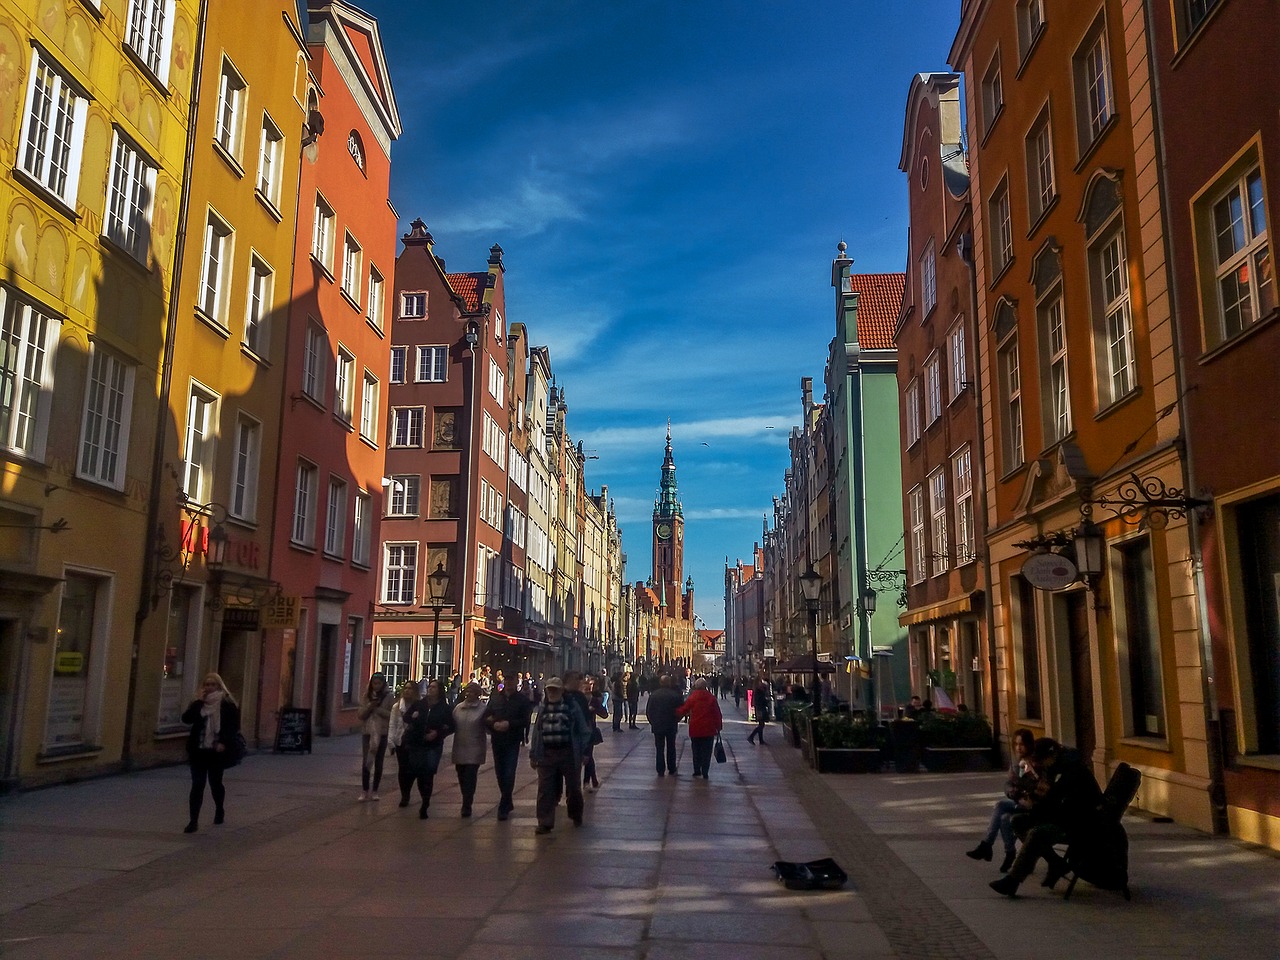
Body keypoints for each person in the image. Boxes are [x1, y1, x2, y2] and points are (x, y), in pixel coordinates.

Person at [989, 738, 1104, 897]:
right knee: (1018, 821)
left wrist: (1039, 802)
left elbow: (1059, 801)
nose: (1041, 765)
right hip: (1064, 815)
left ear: (1052, 755)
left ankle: (1013, 880)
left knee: (1037, 833)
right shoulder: (1057, 767)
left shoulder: (1072, 770)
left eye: (1042, 761)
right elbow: (1052, 800)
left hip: (1080, 822)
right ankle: (1056, 862)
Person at [966, 728, 1036, 872]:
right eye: (1016, 744)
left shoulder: (1034, 763)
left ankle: (992, 848)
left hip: (1031, 804)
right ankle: (1000, 850)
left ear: (1029, 745)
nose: (1018, 748)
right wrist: (1012, 791)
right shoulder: (1017, 763)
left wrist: (1023, 781)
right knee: (1003, 813)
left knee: (1003, 811)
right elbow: (1008, 785)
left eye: (1022, 744)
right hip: (1019, 802)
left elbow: (1035, 786)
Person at [181, 673, 241, 833]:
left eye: (212, 684)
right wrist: (198, 701)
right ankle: (193, 821)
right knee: (197, 785)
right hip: (198, 751)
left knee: (215, 783)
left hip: (216, 752)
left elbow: (233, 727)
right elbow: (186, 719)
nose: (208, 687)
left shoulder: (227, 704)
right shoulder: (198, 704)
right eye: (206, 684)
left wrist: (223, 742)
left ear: (219, 686)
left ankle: (219, 809)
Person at [529, 676, 590, 835]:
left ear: (561, 691)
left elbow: (583, 730)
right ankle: (545, 822)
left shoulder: (571, 707)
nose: (552, 692)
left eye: (555, 689)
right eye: (550, 689)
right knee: (545, 790)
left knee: (573, 788)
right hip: (547, 754)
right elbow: (537, 732)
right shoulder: (543, 708)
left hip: (568, 753)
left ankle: (576, 814)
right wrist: (533, 754)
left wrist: (584, 751)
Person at [402, 678, 454, 819]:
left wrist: (438, 733)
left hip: (433, 745)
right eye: (430, 687)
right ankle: (423, 797)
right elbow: (406, 718)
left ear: (439, 691)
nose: (430, 689)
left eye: (434, 687)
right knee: (418, 772)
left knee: (428, 773)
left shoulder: (445, 708)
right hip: (417, 743)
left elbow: (451, 726)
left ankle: (425, 802)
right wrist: (413, 717)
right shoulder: (419, 704)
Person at [485, 677, 532, 821]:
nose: (509, 684)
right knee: (500, 772)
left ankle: (504, 805)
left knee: (509, 771)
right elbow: (486, 715)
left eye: (511, 682)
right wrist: (492, 724)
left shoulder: (522, 700)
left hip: (512, 739)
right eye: (507, 681)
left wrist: (509, 724)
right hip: (497, 739)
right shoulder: (495, 699)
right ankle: (507, 799)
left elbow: (525, 720)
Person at [451, 681, 488, 817]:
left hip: (475, 748)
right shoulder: (458, 708)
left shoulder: (483, 709)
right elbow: (451, 724)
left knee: (470, 777)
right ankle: (465, 798)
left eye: (471, 692)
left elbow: (488, 726)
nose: (468, 694)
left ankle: (467, 804)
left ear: (478, 694)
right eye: (467, 691)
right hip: (459, 747)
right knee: (461, 775)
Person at [676, 678, 723, 779]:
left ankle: (697, 769)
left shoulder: (693, 697)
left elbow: (685, 709)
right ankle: (705, 770)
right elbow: (717, 713)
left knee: (696, 750)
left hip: (695, 727)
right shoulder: (711, 698)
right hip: (709, 728)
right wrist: (718, 726)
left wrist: (675, 712)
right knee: (707, 751)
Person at [357, 672, 393, 800]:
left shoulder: (389, 697)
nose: (376, 686)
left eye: (379, 683)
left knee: (379, 762)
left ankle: (375, 790)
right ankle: (365, 790)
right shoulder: (366, 696)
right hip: (368, 732)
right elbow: (360, 714)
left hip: (382, 732)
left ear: (383, 684)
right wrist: (369, 707)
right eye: (374, 683)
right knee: (367, 760)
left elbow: (391, 715)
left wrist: (378, 710)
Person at [388, 681, 420, 807]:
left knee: (412, 769)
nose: (407, 691)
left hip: (413, 741)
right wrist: (390, 741)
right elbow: (392, 724)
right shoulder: (397, 707)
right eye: (405, 688)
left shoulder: (419, 706)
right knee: (402, 769)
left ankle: (407, 789)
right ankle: (404, 795)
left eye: (410, 689)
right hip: (400, 740)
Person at [645, 674, 684, 776]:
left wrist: (652, 722)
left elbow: (649, 710)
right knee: (671, 747)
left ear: (660, 683)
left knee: (659, 748)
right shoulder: (675, 695)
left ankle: (660, 769)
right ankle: (672, 767)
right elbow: (681, 710)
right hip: (671, 724)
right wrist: (677, 719)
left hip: (658, 725)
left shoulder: (654, 695)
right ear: (669, 683)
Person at [582, 675, 609, 792]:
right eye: (587, 685)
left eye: (591, 685)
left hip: (590, 731)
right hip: (577, 732)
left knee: (588, 756)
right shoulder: (578, 699)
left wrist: (596, 708)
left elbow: (604, 714)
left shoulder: (594, 700)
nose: (589, 687)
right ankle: (593, 779)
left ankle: (587, 781)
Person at [747, 672, 772, 745]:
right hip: (760, 708)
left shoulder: (758, 689)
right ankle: (751, 737)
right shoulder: (759, 690)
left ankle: (761, 740)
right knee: (761, 724)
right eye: (761, 680)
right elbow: (760, 699)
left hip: (759, 707)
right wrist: (766, 701)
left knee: (761, 724)